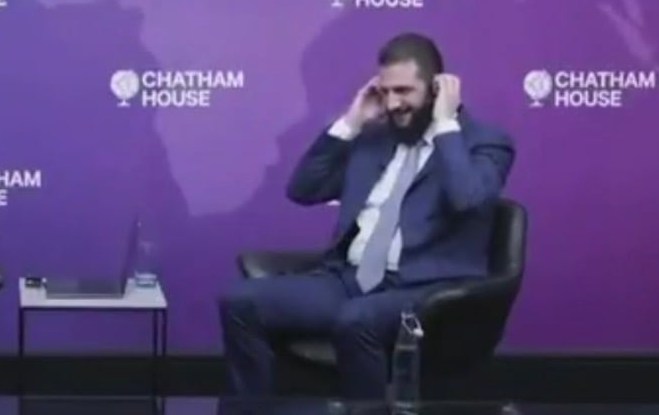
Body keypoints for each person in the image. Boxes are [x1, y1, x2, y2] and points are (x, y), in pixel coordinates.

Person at [217, 32, 516, 399]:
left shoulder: (484, 143)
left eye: (403, 91)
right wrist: (351, 122)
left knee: (357, 319)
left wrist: (444, 125)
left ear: (437, 90)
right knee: (241, 302)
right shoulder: (374, 141)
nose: (392, 103)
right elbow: (304, 189)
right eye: (385, 91)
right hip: (349, 282)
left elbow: (467, 199)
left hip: (425, 292)